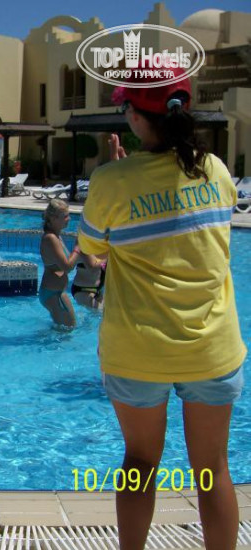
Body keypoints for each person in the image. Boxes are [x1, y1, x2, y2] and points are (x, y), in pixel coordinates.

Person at [78, 68, 246, 550]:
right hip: (212, 347)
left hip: (137, 350)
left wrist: (118, 176)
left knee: (139, 463)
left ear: (134, 116)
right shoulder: (215, 170)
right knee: (212, 469)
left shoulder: (111, 180)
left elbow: (92, 249)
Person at [39, 199, 79, 327]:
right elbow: (67, 267)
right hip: (53, 293)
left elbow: (67, 263)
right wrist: (78, 247)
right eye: (65, 216)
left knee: (64, 330)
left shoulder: (56, 236)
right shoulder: (51, 238)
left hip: (55, 291)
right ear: (53, 218)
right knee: (68, 329)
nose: (69, 219)